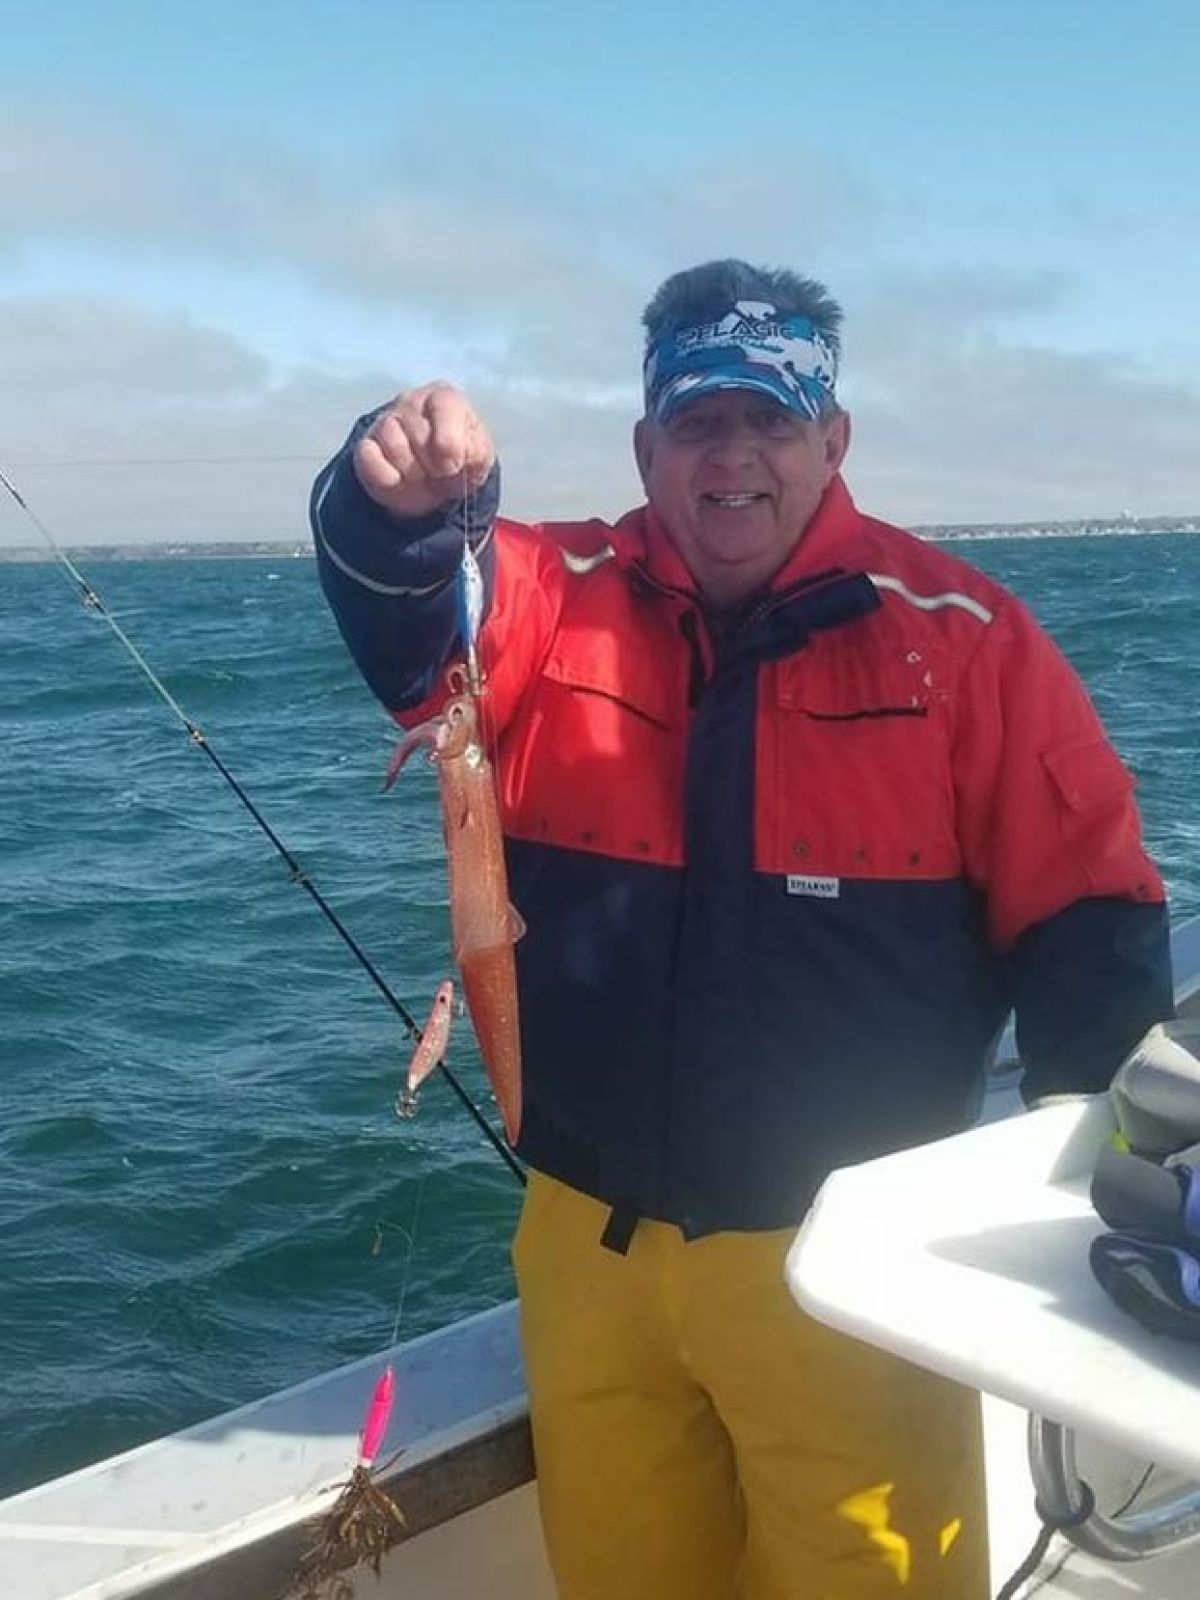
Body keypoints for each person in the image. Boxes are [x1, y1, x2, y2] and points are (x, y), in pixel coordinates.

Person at [310, 259, 1173, 1599]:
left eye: (769, 420)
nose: (733, 459)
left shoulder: (969, 642)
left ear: (832, 442)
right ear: (648, 446)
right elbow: (419, 614)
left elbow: (1090, 920)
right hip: (586, 1254)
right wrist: (399, 494)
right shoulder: (560, 591)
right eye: (699, 423)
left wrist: (1083, 1205)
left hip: (850, 1270)